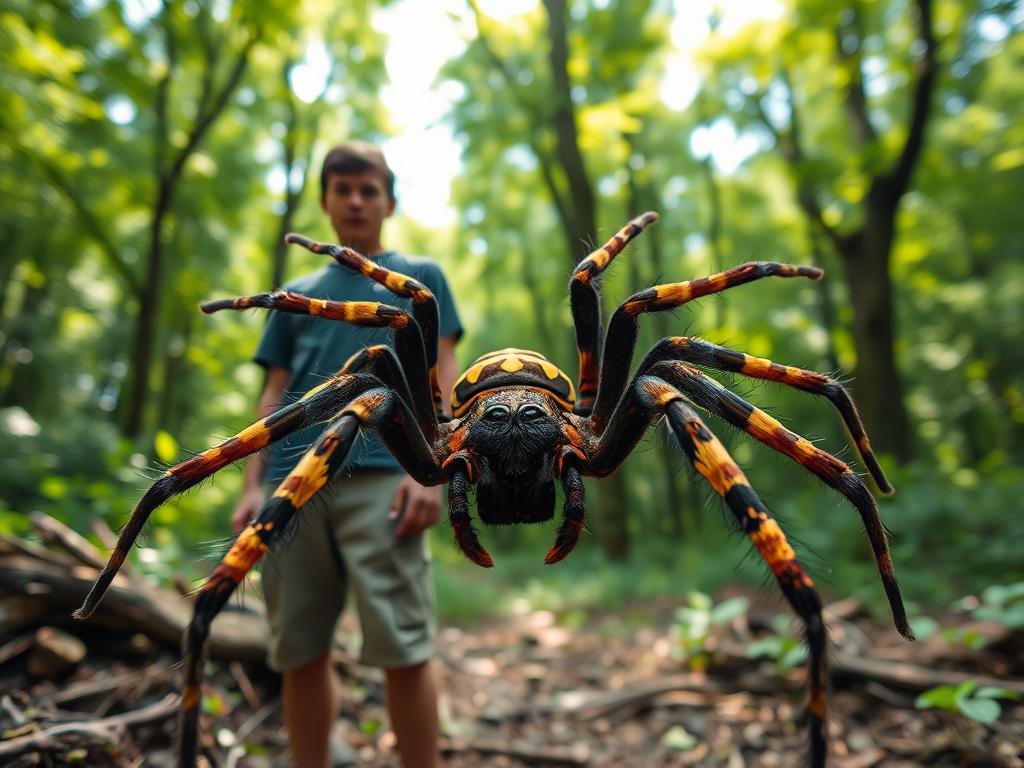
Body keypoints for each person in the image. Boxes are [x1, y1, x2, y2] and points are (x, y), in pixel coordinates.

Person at [233, 141, 462, 768]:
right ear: (326, 201)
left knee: (403, 643)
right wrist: (252, 485)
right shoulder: (296, 292)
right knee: (299, 648)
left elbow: (444, 370)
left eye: (369, 189)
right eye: (343, 189)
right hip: (292, 486)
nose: (356, 200)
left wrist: (435, 472)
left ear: (389, 200)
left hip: (387, 479)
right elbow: (275, 390)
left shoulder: (421, 280)